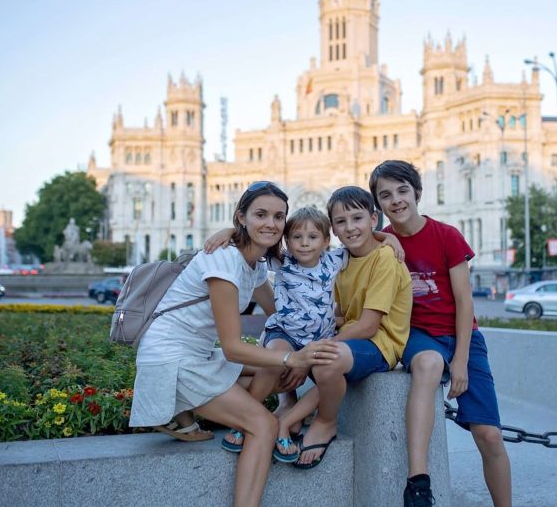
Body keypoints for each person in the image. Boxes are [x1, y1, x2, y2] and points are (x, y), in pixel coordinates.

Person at [129, 181, 340, 507]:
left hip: (195, 354)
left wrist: (306, 347)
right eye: (261, 214)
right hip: (173, 359)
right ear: (241, 217)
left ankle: (182, 408)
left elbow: (280, 314)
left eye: (278, 217)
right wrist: (292, 360)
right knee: (264, 424)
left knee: (272, 372)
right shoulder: (225, 261)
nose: (271, 223)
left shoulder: (253, 265)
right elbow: (232, 347)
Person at [203, 205, 404, 463]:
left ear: (325, 240)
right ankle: (248, 417)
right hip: (284, 332)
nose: (304, 244)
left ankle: (292, 417)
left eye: (312, 237)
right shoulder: (282, 261)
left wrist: (389, 237)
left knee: (329, 373)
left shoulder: (336, 259)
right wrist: (230, 230)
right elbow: (253, 240)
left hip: (317, 339)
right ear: (287, 240)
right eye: (297, 237)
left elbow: (362, 236)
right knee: (274, 358)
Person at [369, 160, 512, 507]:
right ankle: (418, 483)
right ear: (378, 205)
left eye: (403, 191)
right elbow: (340, 236)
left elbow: (465, 303)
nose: (396, 201)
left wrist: (461, 360)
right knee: (428, 364)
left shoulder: (446, 235)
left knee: (489, 435)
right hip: (420, 335)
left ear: (417, 193)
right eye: (385, 195)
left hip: (464, 337)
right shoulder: (379, 243)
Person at [287, 186, 413, 469]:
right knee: (289, 346)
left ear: (373, 219)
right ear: (332, 228)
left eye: (357, 219)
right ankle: (287, 417)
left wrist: (318, 349)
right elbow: (342, 315)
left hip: (382, 344)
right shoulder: (341, 260)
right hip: (352, 340)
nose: (350, 228)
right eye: (341, 222)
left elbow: (369, 326)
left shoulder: (385, 258)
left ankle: (325, 421)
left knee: (325, 360)